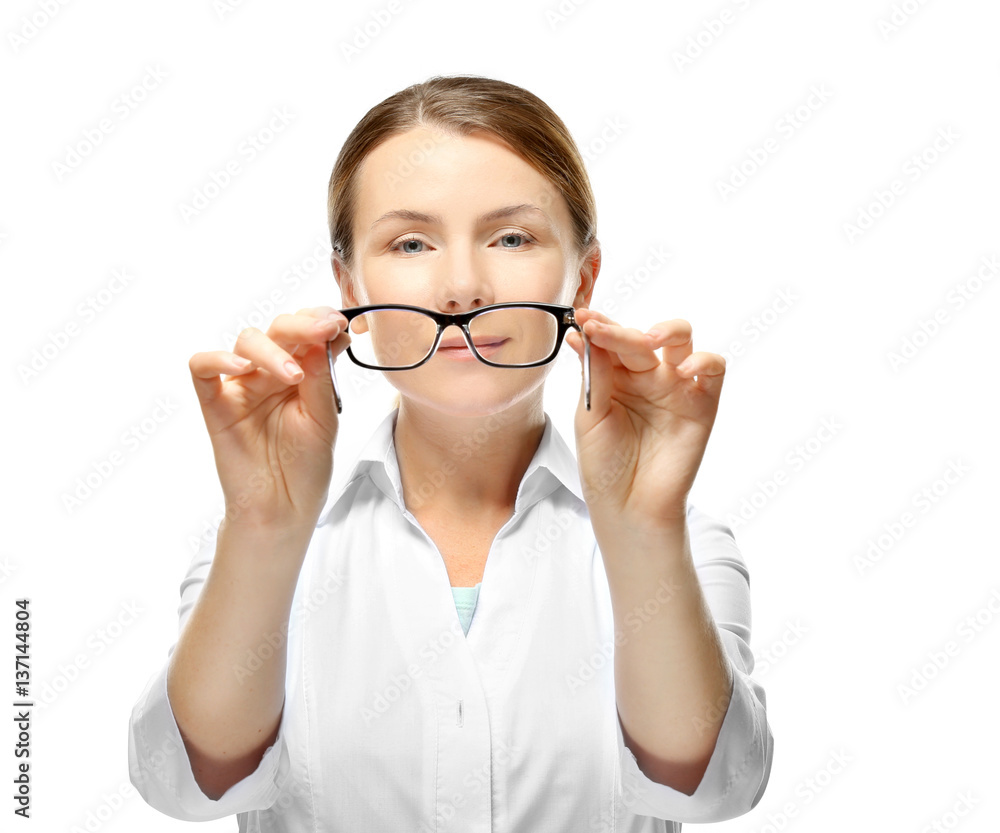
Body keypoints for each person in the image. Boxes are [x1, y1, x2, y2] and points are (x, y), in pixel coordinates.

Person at [127, 74, 773, 831]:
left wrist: (643, 530)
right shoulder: (251, 545)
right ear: (349, 289)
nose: (463, 287)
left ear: (582, 281)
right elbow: (187, 787)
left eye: (512, 238)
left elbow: (714, 787)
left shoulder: (686, 543)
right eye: (411, 243)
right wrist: (263, 525)